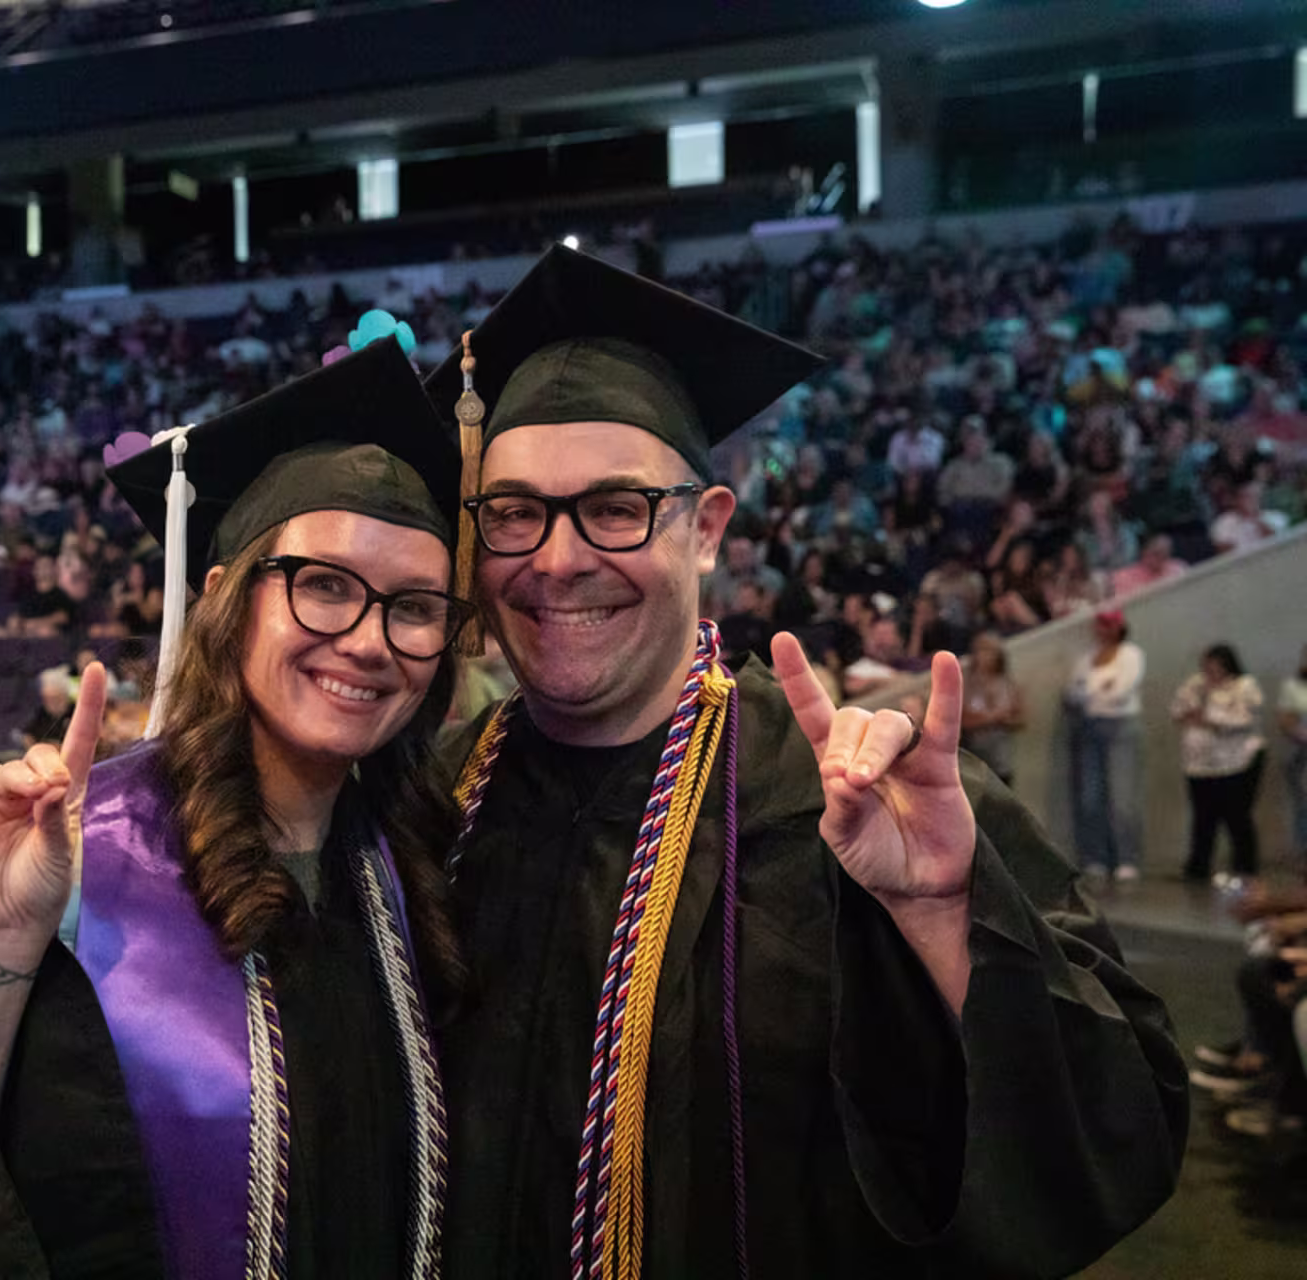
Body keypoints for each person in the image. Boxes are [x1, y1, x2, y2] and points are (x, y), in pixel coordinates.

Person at [422, 246, 1183, 1278]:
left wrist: (946, 918)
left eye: (615, 507)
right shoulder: (428, 801)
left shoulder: (859, 793)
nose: (557, 560)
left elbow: (1118, 1133)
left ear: (706, 529)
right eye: (513, 512)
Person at [0, 338, 474, 1278]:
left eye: (415, 606)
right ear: (225, 600)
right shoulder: (84, 850)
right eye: (323, 586)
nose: (368, 640)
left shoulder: (417, 870)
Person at [1172, 644, 1267, 884]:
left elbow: (1242, 719)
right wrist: (1198, 717)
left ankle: (1245, 865)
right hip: (1199, 764)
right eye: (1205, 665)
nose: (1209, 670)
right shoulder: (1195, 684)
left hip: (1236, 762)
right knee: (1203, 816)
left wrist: (1209, 720)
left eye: (1214, 665)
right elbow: (1179, 711)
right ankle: (1198, 865)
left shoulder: (1245, 686)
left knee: (1236, 814)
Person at [1064, 609, 1147, 882]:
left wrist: (1089, 690)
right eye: (1100, 625)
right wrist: (1100, 688)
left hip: (1120, 728)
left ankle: (1126, 858)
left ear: (1119, 627)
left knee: (1121, 798)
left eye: (1108, 625)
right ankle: (1095, 857)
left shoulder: (1131, 654)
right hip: (1089, 728)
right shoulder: (1088, 657)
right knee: (1090, 797)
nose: (1103, 630)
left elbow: (1122, 690)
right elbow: (1072, 693)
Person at [959, 631, 1025, 785]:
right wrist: (994, 717)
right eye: (980, 650)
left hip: (1001, 759)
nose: (984, 656)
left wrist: (1008, 720)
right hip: (974, 760)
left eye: (989, 650)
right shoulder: (967, 686)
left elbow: (1020, 718)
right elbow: (963, 720)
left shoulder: (1008, 684)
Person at [1282, 643, 1307, 865]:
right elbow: (1287, 722)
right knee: (1304, 806)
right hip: (1302, 752)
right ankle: (1303, 856)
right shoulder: (1294, 686)